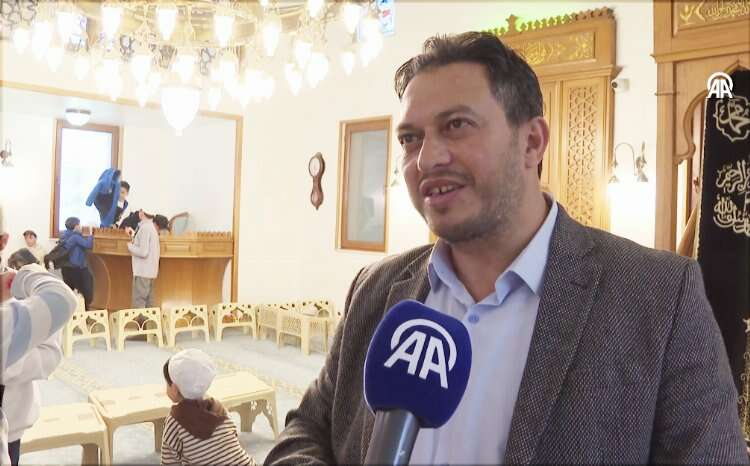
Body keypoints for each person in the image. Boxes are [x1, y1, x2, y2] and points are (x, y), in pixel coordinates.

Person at [264, 32, 747, 465]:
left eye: (456, 125)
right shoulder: (376, 288)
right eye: (411, 139)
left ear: (532, 142)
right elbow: (305, 433)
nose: (426, 159)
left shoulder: (658, 298)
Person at [1, 231, 77, 466]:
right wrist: (28, 275)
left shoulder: (19, 306)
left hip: (13, 421)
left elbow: (50, 356)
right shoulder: (15, 311)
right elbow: (60, 299)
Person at [161, 349, 255, 466]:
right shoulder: (219, 408)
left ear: (174, 389)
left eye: (166, 384)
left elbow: (169, 462)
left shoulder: (174, 421)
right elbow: (233, 440)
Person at [127, 210, 166, 308]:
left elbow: (143, 252)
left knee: (139, 302)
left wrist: (129, 246)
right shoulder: (151, 228)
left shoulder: (145, 228)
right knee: (150, 303)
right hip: (151, 271)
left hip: (142, 271)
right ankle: (150, 319)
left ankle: (140, 319)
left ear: (142, 213)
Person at [59, 217, 94, 310]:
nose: (80, 226)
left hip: (65, 268)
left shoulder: (63, 235)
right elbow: (88, 245)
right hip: (77, 268)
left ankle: (68, 313)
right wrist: (91, 234)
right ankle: (85, 312)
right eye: (79, 224)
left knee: (69, 292)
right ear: (75, 226)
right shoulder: (75, 237)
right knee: (86, 292)